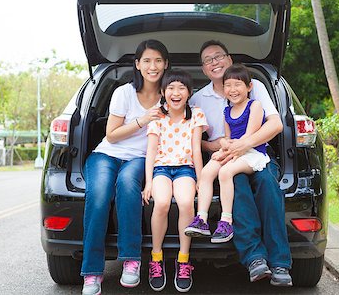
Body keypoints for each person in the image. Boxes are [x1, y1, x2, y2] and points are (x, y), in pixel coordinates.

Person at [188, 40, 293, 286]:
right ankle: (255, 258)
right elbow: (190, 137)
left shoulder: (253, 87)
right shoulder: (197, 99)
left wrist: (243, 145)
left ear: (230, 59)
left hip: (255, 151)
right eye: (208, 60)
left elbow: (276, 124)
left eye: (219, 56)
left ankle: (280, 263)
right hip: (224, 157)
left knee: (268, 185)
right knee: (237, 184)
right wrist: (216, 146)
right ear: (203, 69)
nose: (215, 62)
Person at [81, 39, 170, 295]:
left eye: (157, 60)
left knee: (127, 185)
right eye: (147, 60)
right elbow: (111, 135)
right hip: (106, 154)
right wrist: (144, 119)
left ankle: (131, 260)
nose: (152, 66)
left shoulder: (172, 95)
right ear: (138, 65)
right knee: (98, 197)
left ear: (165, 64)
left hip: (141, 157)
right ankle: (92, 273)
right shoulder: (123, 92)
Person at [185, 64, 271, 244]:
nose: (233, 90)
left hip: (252, 152)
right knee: (207, 173)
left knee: (225, 172)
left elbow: (249, 137)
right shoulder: (227, 111)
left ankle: (226, 221)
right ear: (223, 90)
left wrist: (226, 154)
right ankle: (201, 219)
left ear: (249, 87)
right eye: (228, 85)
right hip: (234, 150)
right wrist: (222, 149)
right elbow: (228, 137)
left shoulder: (254, 106)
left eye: (238, 84)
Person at [143, 69, 207, 293]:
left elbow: (196, 150)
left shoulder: (196, 115)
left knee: (186, 203)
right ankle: (156, 258)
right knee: (160, 203)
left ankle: (183, 260)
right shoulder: (156, 116)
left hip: (185, 170)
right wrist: (148, 182)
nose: (176, 92)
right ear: (162, 92)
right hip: (161, 168)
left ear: (189, 93)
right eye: (171, 88)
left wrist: (201, 179)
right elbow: (151, 151)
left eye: (181, 88)